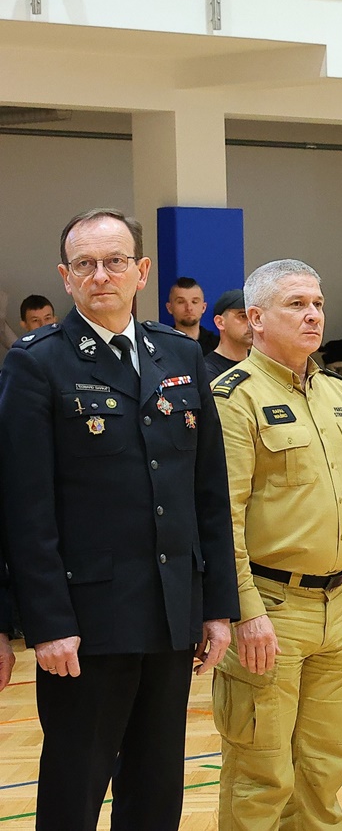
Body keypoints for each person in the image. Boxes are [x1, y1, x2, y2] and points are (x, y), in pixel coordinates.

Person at [0, 207, 238, 828]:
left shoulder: (178, 352)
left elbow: (207, 492)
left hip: (171, 609)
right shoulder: (37, 363)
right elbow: (24, 507)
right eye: (85, 264)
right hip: (87, 620)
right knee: (75, 788)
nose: (101, 275)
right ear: (65, 276)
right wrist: (48, 624)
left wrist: (216, 605)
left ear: (142, 270)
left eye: (114, 261)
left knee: (156, 788)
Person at [211, 259, 342, 830]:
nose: (313, 315)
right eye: (296, 304)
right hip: (271, 608)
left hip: (338, 608)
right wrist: (245, 610)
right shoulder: (233, 397)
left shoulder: (341, 393)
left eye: (317, 303)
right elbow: (222, 516)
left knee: (323, 773)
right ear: (256, 318)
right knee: (260, 778)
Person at [204, 288, 252, 380]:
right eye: (242, 316)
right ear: (220, 322)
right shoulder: (206, 371)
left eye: (253, 316)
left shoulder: (260, 363)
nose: (250, 323)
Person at [166, 276, 220, 355]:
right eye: (181, 302)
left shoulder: (218, 346)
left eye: (194, 302)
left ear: (203, 307)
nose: (189, 308)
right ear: (169, 308)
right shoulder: (161, 345)